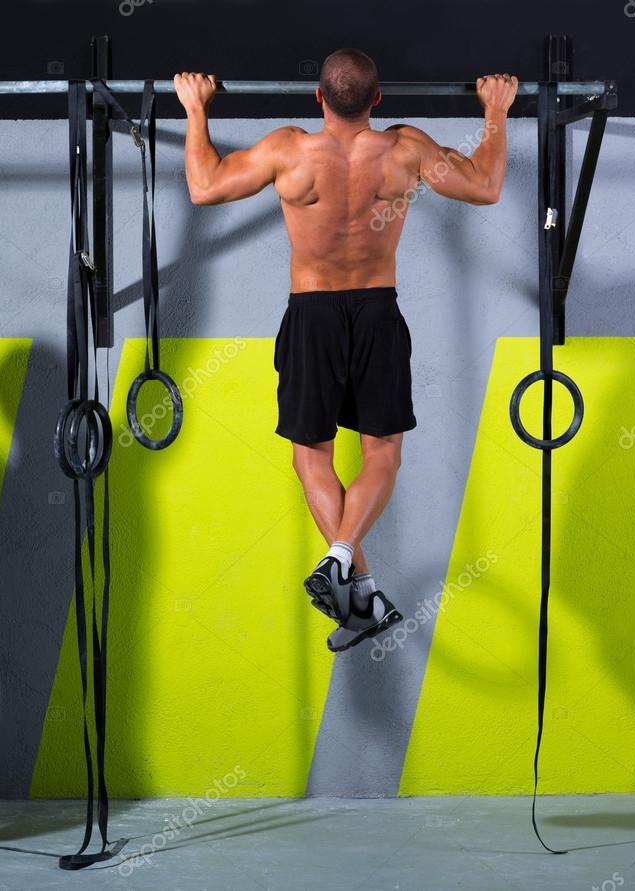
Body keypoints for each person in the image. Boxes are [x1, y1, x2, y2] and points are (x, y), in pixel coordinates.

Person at [174, 50, 516, 653]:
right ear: (379, 100)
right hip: (378, 311)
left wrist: (195, 109)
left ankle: (350, 573)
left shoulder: (289, 151)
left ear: (318, 98)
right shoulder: (405, 150)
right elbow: (485, 187)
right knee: (382, 456)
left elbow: (203, 187)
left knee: (313, 460)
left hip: (313, 314)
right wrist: (495, 112)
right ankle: (357, 581)